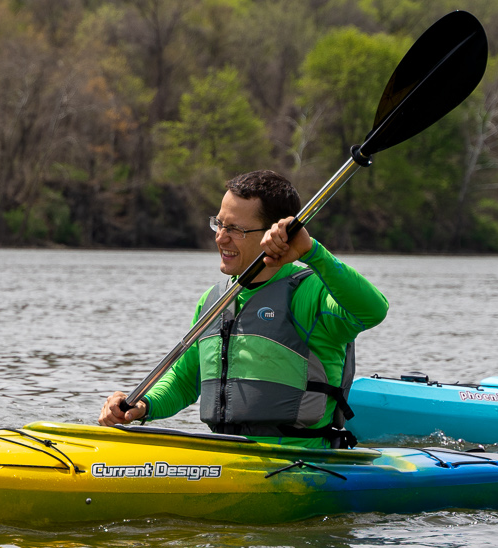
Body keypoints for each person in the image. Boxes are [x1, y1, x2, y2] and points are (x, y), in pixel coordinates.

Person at [97, 169, 388, 444]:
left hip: (298, 458)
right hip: (226, 454)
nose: (220, 237)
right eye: (219, 223)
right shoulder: (213, 300)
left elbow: (373, 310)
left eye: (235, 229)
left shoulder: (309, 292)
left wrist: (313, 252)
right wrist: (143, 405)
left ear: (275, 233)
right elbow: (185, 380)